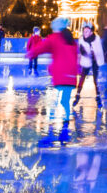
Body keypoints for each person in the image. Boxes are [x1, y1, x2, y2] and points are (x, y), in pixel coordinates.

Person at [26, 17, 79, 145]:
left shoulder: (54, 37)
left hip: (60, 75)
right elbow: (77, 56)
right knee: (65, 100)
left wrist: (30, 53)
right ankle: (66, 122)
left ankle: (51, 129)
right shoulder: (71, 40)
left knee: (54, 101)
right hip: (71, 76)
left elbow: (41, 47)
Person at [74, 23, 104, 105]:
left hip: (95, 61)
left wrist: (97, 57)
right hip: (86, 60)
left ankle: (97, 95)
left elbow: (99, 49)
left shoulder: (96, 38)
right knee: (82, 77)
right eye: (84, 31)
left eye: (87, 31)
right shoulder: (81, 39)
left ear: (91, 32)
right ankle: (78, 94)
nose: (85, 33)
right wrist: (87, 55)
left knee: (95, 79)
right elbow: (81, 50)